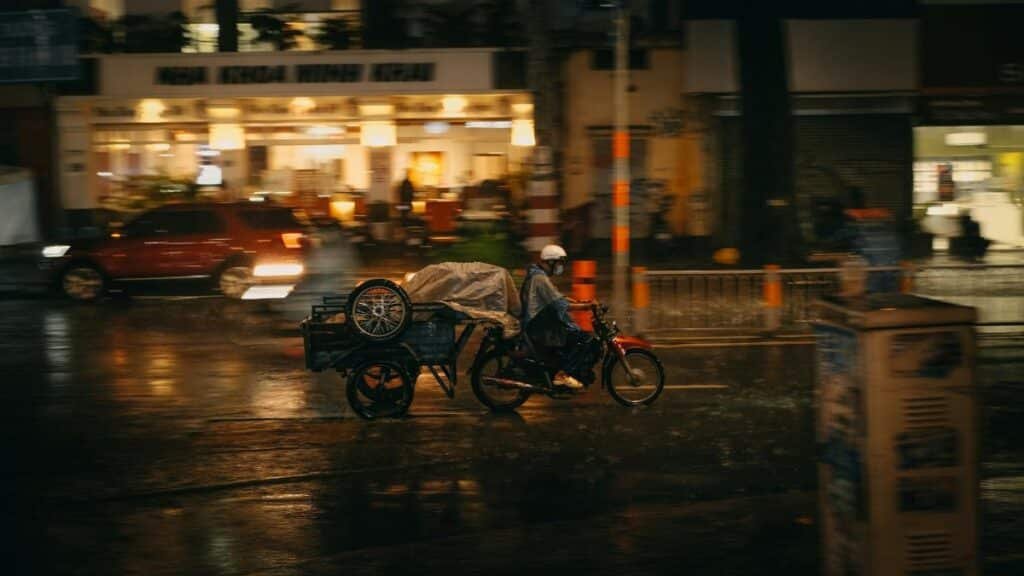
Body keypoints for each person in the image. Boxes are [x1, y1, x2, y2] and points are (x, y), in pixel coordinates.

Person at [520, 244, 600, 389]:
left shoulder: (538, 275)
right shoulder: (540, 279)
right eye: (559, 263)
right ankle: (562, 375)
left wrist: (582, 302)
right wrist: (585, 307)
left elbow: (558, 297)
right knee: (585, 339)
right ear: (551, 262)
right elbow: (560, 304)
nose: (560, 267)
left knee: (577, 336)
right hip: (541, 327)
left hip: (541, 323)